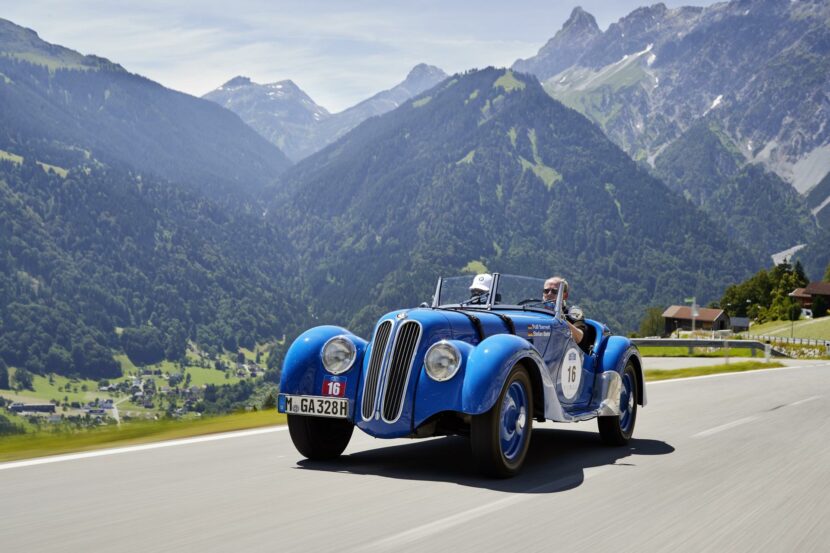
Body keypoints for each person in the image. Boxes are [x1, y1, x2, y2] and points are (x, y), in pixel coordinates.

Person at [543, 276, 590, 351]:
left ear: (565, 295)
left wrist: (562, 319)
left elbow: (580, 337)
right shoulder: (537, 313)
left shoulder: (572, 313)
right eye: (546, 291)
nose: (549, 294)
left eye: (554, 291)